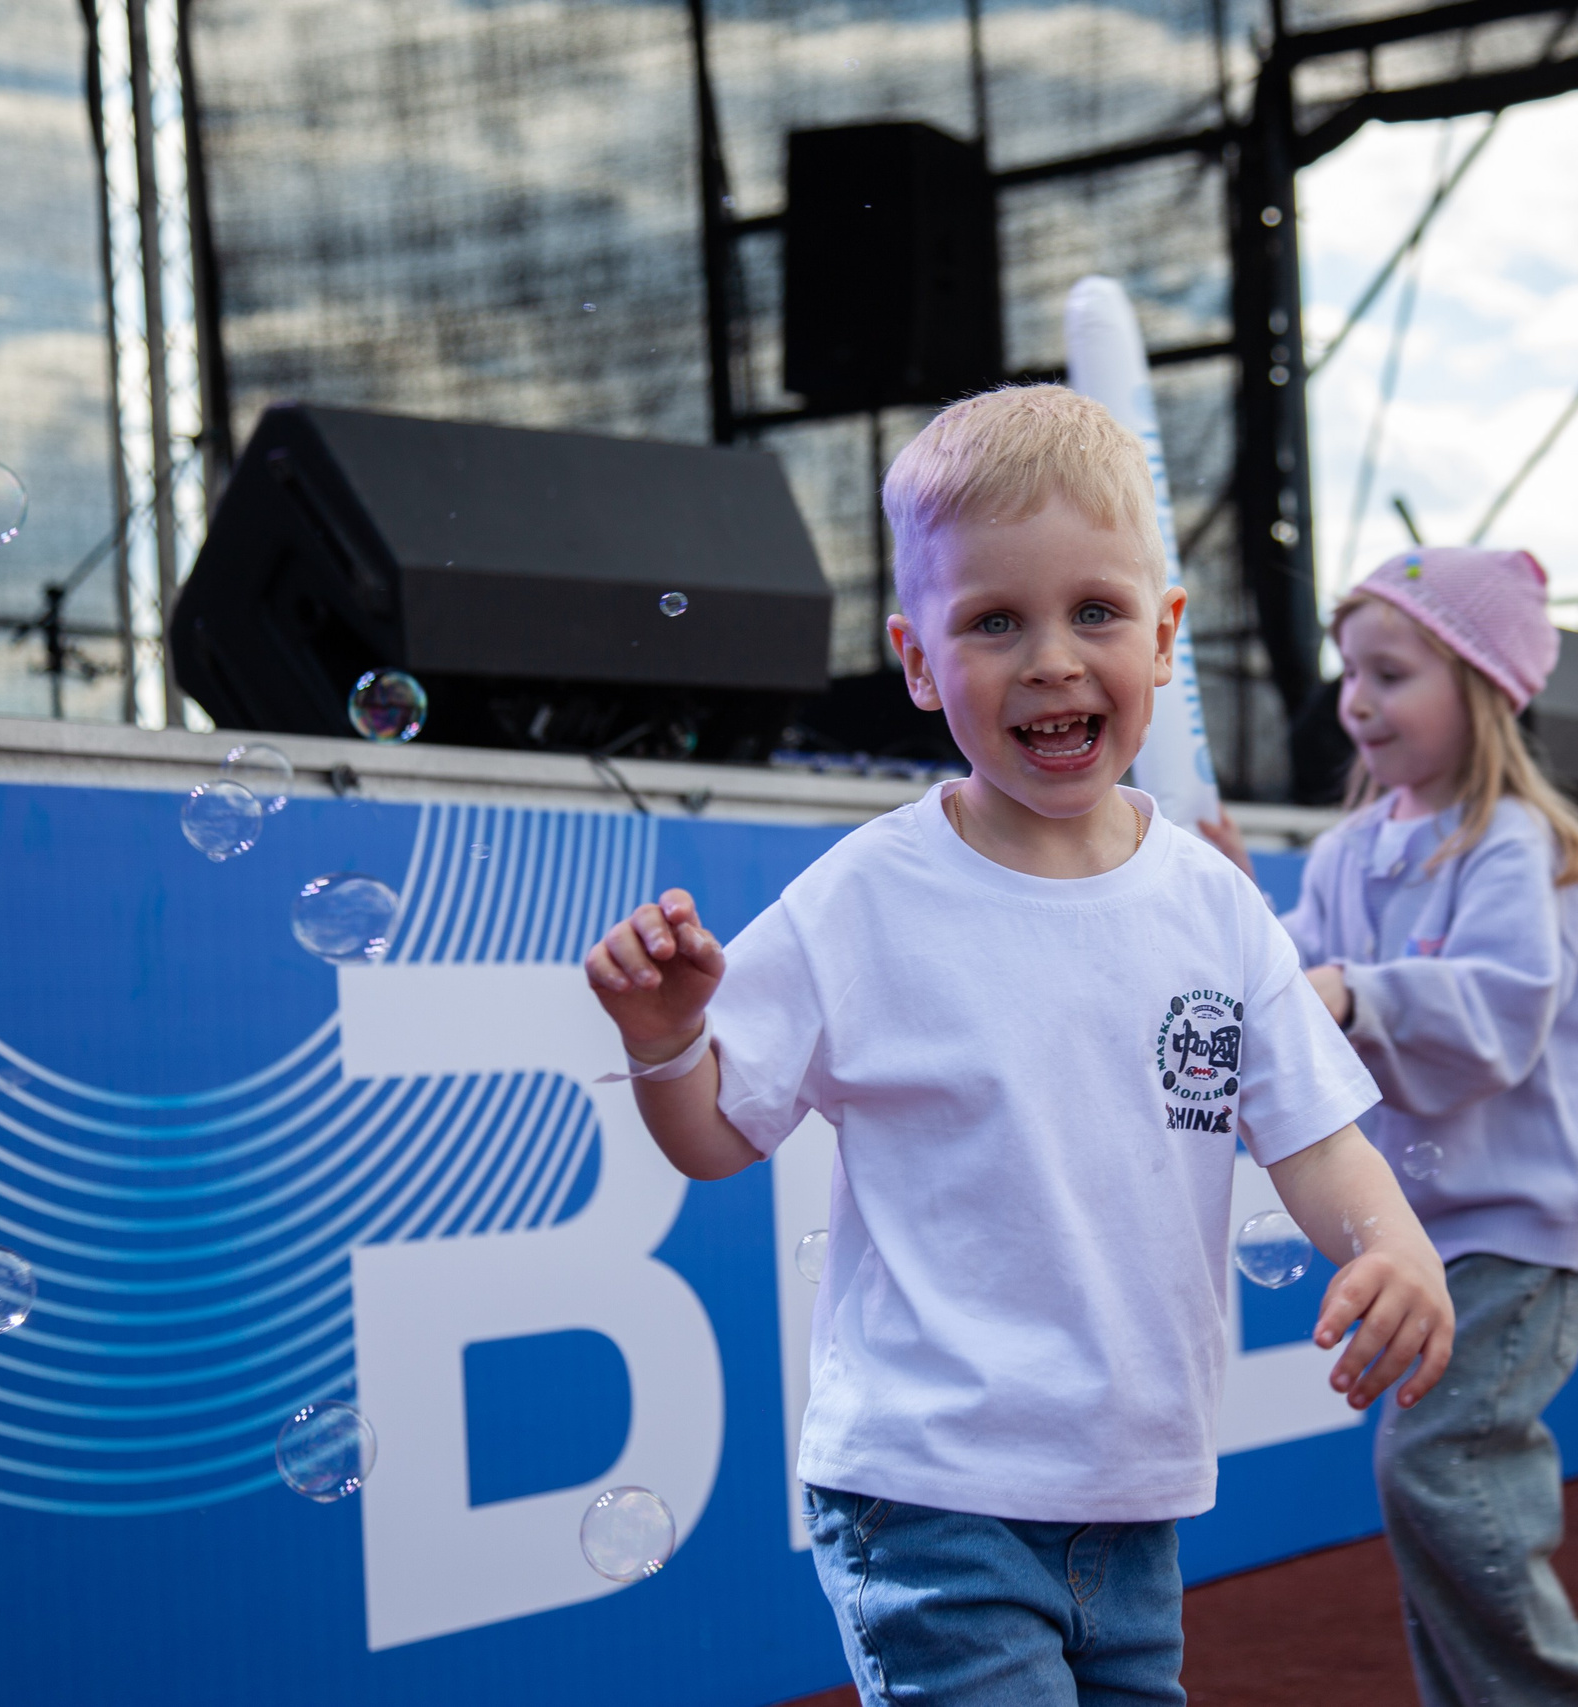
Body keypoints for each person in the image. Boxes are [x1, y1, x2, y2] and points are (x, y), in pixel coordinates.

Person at [581, 384, 1455, 1707]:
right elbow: (711, 1136)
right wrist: (664, 1040)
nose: (1051, 658)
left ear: (1165, 637)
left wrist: (1393, 1243)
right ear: (917, 660)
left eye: (1095, 611)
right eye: (994, 621)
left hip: (1133, 1495)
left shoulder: (1213, 903)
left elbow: (1316, 1136)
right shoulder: (863, 896)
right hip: (927, 1492)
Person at [1201, 547, 1578, 1707]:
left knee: (1441, 1468)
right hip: (1430, 1235)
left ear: (1485, 688)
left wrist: (1352, 992)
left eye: (1390, 673)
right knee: (1435, 1493)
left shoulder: (1515, 843)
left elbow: (1497, 1015)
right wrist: (1232, 913)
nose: (1356, 698)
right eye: (1350, 672)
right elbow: (1291, 979)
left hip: (1523, 1229)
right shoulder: (1348, 850)